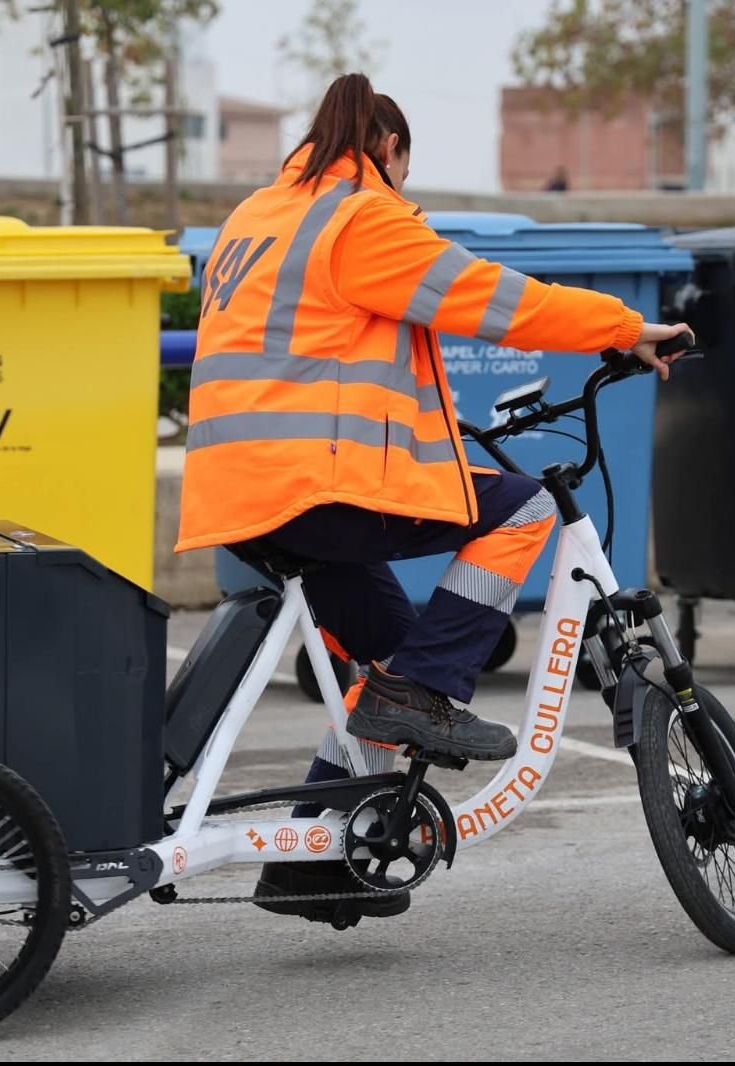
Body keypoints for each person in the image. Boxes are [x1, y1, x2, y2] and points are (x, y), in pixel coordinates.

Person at [176, 73, 691, 922]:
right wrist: (624, 328)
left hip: (241, 493)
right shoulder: (359, 218)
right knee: (524, 507)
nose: (403, 185)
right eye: (405, 169)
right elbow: (497, 300)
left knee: (393, 658)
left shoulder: (257, 217)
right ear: (388, 149)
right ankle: (415, 701)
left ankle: (313, 859)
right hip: (315, 485)